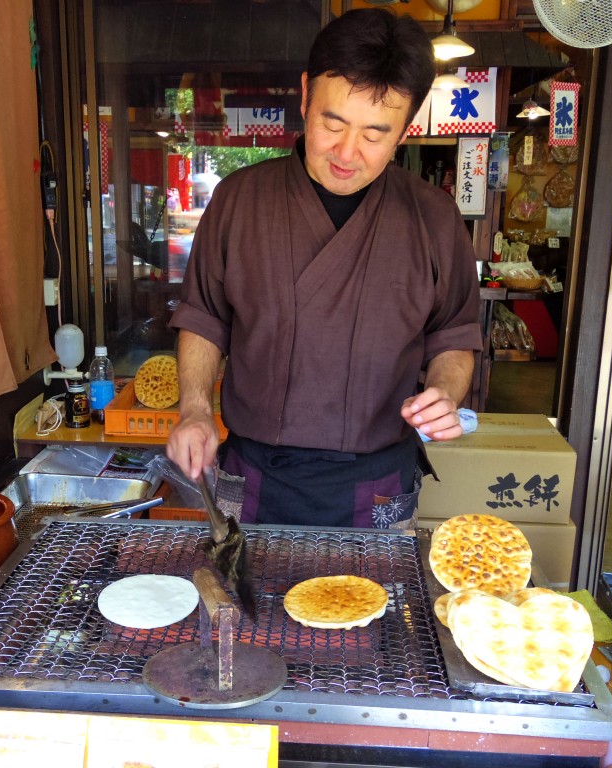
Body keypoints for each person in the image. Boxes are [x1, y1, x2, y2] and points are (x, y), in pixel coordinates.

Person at [166, 8, 482, 529]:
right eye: (332, 123)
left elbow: (453, 333)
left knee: (376, 611)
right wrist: (195, 408)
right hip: (253, 471)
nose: (346, 152)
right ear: (306, 93)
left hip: (379, 481)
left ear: (407, 127)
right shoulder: (240, 199)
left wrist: (445, 393)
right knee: (241, 609)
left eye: (375, 134)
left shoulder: (433, 216)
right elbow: (203, 316)